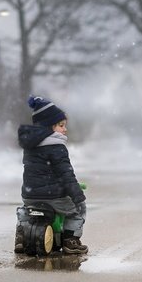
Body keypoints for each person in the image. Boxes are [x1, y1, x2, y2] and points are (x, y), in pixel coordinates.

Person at [17, 95, 88, 254]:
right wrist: (77, 194)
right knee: (77, 209)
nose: (65, 129)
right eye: (61, 125)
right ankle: (71, 240)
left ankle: (21, 236)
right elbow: (66, 174)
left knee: (25, 211)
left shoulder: (30, 146)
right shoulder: (57, 146)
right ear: (49, 127)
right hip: (53, 196)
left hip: (30, 194)